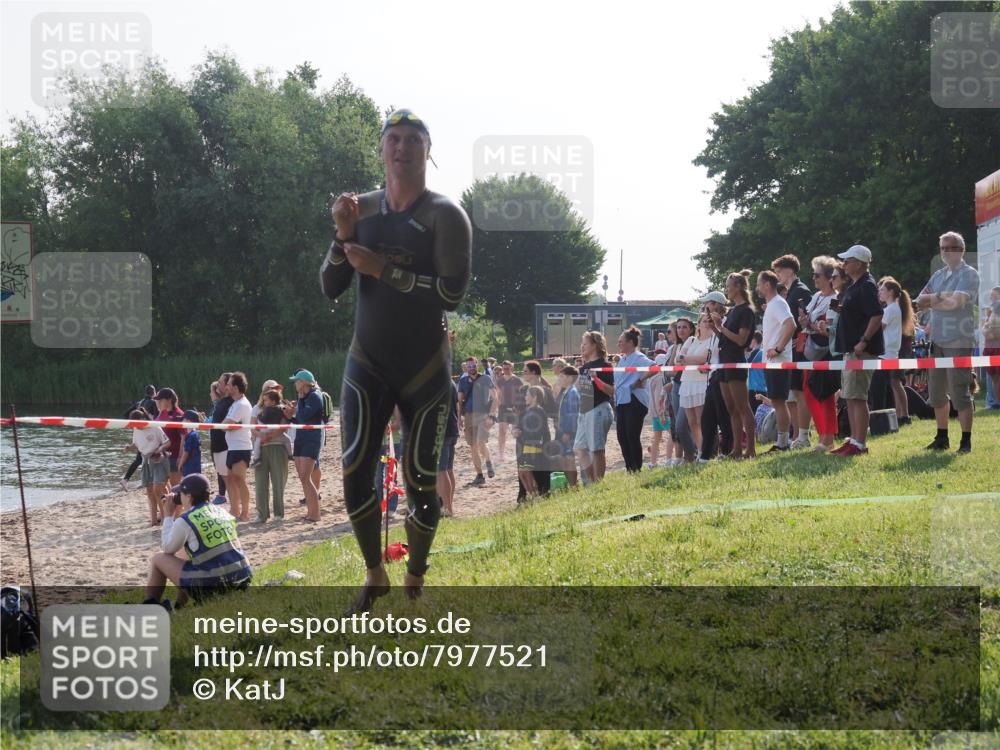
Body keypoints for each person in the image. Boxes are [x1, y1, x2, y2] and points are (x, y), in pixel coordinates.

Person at [323, 107, 471, 610]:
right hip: (367, 359)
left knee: (420, 478)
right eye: (394, 139)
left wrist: (386, 271)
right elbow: (330, 286)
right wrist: (343, 237)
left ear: (428, 150)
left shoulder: (445, 214)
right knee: (353, 467)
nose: (402, 148)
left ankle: (415, 572)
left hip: (426, 365)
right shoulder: (358, 210)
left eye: (412, 139)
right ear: (382, 149)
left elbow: (451, 294)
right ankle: (373, 572)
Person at [914, 232, 981, 453]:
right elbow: (919, 300)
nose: (945, 252)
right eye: (942, 248)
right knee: (936, 392)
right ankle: (942, 437)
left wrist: (934, 301)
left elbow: (957, 303)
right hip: (938, 341)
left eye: (950, 248)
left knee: (960, 391)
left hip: (959, 340)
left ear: (961, 250)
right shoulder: (939, 275)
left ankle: (966, 441)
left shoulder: (969, 274)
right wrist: (941, 299)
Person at [144, 473, 252, 610]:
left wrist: (168, 515)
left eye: (181, 494)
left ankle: (149, 606)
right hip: (242, 579)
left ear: (188, 497)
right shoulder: (222, 512)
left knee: (158, 558)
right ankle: (179, 605)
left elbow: (167, 548)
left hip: (213, 588)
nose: (179, 497)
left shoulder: (186, 520)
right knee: (185, 552)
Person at [832, 245, 884, 456]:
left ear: (860, 263)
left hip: (861, 350)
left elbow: (876, 315)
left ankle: (860, 443)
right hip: (851, 350)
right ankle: (853, 440)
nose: (844, 264)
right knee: (850, 396)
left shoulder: (867, 286)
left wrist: (864, 341)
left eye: (848, 260)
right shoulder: (855, 286)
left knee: (858, 396)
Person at [709, 274, 756, 459]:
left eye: (728, 286)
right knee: (731, 408)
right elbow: (725, 338)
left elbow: (741, 340)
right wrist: (715, 327)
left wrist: (721, 326)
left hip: (736, 363)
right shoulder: (733, 310)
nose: (726, 289)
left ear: (738, 286)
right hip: (724, 362)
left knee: (743, 407)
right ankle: (737, 449)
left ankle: (750, 449)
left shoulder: (746, 311)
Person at [772, 254, 815, 448]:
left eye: (779, 271)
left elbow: (805, 321)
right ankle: (797, 434)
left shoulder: (800, 291)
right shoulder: (790, 292)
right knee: (793, 393)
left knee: (800, 393)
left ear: (790, 270)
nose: (777, 275)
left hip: (800, 348)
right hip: (792, 349)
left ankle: (804, 435)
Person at [798, 257, 840, 452]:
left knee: (825, 394)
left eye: (817, 275)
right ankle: (822, 433)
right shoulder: (816, 296)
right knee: (809, 392)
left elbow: (830, 328)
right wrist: (804, 320)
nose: (813, 278)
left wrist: (811, 325)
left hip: (826, 351)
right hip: (811, 351)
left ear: (829, 278)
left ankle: (828, 437)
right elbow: (807, 321)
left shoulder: (836, 299)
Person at [757, 271, 796, 452]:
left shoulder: (778, 303)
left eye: (759, 283)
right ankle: (783, 441)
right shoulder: (774, 304)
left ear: (767, 284)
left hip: (778, 361)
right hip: (772, 362)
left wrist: (778, 348)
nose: (757, 287)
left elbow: (791, 325)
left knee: (779, 402)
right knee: (778, 401)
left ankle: (783, 442)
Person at [282, 369, 324, 522]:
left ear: (304, 382)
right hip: (300, 438)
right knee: (303, 478)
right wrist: (289, 416)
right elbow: (299, 420)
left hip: (311, 439)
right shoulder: (303, 397)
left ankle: (315, 514)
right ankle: (310, 512)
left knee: (306, 478)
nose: (294, 384)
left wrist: (294, 412)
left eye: (297, 381)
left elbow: (305, 416)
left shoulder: (314, 396)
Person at [574, 330, 615, 483]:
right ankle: (592, 483)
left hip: (598, 409)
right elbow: (581, 389)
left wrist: (596, 379)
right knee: (579, 448)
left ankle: (598, 483)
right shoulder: (584, 367)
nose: (581, 347)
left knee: (597, 450)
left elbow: (611, 391)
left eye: (585, 344)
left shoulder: (604, 365)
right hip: (584, 411)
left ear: (595, 345)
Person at [876, 277, 914, 425]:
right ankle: (903, 415)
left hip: (886, 354)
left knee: (892, 385)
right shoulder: (894, 308)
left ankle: (902, 415)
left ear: (891, 292)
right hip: (892, 352)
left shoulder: (890, 309)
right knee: (896, 384)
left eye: (883, 290)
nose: (880, 292)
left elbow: (879, 329)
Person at [124, 410, 170, 526]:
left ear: (143, 420)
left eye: (137, 424)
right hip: (145, 460)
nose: (136, 427)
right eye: (133, 424)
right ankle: (154, 520)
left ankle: (165, 517)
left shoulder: (155, 427)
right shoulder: (135, 429)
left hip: (158, 460)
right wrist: (129, 447)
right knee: (149, 492)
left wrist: (159, 449)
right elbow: (137, 444)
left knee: (158, 490)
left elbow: (168, 442)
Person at [677, 313, 715, 455]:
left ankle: (706, 450)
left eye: (709, 321)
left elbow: (702, 358)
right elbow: (677, 359)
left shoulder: (712, 340)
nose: (706, 324)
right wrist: (687, 359)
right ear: (698, 325)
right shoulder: (691, 340)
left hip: (701, 382)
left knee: (701, 420)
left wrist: (685, 358)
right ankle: (700, 450)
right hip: (686, 382)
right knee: (691, 422)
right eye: (704, 321)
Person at [457, 357, 497, 485]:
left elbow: (495, 398)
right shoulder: (463, 381)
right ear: (466, 367)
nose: (471, 368)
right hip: (469, 416)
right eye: (468, 366)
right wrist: (459, 419)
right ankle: (479, 475)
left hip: (483, 415)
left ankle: (489, 462)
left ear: (477, 365)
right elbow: (459, 401)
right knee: (473, 447)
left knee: (480, 442)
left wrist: (491, 416)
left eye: (473, 365)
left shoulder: (486, 379)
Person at [221, 372, 253, 521]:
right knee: (232, 479)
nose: (227, 386)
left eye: (229, 384)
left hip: (241, 447)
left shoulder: (241, 404)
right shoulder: (235, 403)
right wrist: (228, 426)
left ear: (235, 387)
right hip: (233, 447)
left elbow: (225, 425)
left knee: (240, 480)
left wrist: (228, 426)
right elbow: (226, 425)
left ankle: (245, 513)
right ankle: (235, 511)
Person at [666, 318, 699, 463]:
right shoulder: (676, 346)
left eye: (684, 327)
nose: (681, 330)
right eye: (678, 327)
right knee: (679, 426)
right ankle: (689, 455)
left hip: (689, 384)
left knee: (683, 424)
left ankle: (692, 454)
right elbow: (670, 369)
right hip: (677, 385)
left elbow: (678, 367)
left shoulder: (693, 341)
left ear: (691, 329)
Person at [255, 390, 290, 523]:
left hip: (278, 446)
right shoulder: (258, 410)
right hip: (262, 447)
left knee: (278, 481)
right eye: (264, 399)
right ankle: (262, 514)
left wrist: (269, 436)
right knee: (260, 482)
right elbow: (253, 427)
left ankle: (279, 513)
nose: (265, 402)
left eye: (268, 399)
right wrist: (261, 436)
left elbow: (283, 427)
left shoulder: (281, 410)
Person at [514, 385, 551, 497]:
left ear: (534, 397)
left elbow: (537, 432)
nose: (525, 397)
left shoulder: (539, 412)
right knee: (523, 473)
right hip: (525, 446)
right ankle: (533, 496)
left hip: (534, 448)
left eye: (527, 395)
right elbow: (519, 426)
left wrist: (521, 432)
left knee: (528, 473)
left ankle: (537, 496)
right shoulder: (526, 411)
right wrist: (516, 430)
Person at [119, 385, 158, 490]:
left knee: (140, 458)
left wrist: (133, 424)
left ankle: (128, 480)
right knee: (142, 458)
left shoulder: (139, 402)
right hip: (148, 432)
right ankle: (128, 480)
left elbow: (125, 414)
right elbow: (157, 418)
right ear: (154, 393)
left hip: (138, 431)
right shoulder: (153, 402)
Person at [209, 373, 234, 506]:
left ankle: (235, 506)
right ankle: (233, 504)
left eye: (220, 382)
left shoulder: (231, 402)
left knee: (229, 479)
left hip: (225, 446)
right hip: (217, 446)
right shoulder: (221, 402)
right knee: (224, 476)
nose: (218, 384)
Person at [153, 388, 185, 487]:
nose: (157, 402)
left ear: (169, 400)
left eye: (160, 400)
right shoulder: (162, 413)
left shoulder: (179, 415)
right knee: (159, 487)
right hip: (161, 456)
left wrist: (180, 457)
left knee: (174, 487)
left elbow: (184, 437)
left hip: (174, 457)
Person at [437, 378, 460, 517]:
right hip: (451, 428)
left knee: (441, 471)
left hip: (441, 431)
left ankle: (448, 510)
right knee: (448, 469)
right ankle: (447, 507)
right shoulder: (449, 380)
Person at [555, 365, 580, 485]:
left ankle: (574, 485)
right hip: (563, 430)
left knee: (569, 459)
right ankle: (572, 485)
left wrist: (568, 432)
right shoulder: (566, 391)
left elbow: (573, 414)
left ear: (570, 378)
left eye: (561, 376)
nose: (559, 379)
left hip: (568, 432)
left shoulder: (572, 393)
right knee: (564, 459)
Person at [647, 354, 672, 468]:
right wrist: (662, 413)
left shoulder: (652, 377)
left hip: (654, 412)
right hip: (661, 412)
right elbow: (660, 397)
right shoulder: (661, 378)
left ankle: (653, 463)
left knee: (656, 438)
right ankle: (668, 460)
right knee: (673, 435)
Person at [496, 361, 523, 464]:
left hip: (515, 408)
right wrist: (498, 404)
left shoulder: (517, 380)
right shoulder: (500, 380)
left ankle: (519, 453)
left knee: (516, 431)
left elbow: (521, 394)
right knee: (502, 431)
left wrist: (519, 407)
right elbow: (498, 394)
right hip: (503, 408)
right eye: (504, 368)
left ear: (512, 368)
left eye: (508, 368)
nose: (506, 370)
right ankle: (501, 454)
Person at [983, 285, 1000, 407]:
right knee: (994, 378)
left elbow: (995, 333)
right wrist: (989, 330)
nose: (992, 299)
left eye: (995, 296)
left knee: (998, 378)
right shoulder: (991, 311)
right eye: (991, 296)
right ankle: (997, 402)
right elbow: (985, 332)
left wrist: (990, 330)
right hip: (990, 348)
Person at [177, 410, 203, 477]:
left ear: (189, 421)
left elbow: (186, 453)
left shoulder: (191, 436)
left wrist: (180, 465)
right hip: (196, 467)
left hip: (190, 468)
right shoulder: (195, 434)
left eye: (183, 419)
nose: (182, 421)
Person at [746, 331, 766, 413]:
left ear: (754, 340)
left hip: (757, 388)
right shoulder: (761, 352)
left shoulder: (759, 352)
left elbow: (747, 362)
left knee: (756, 414)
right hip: (757, 388)